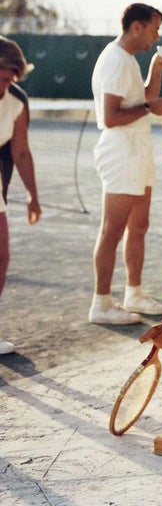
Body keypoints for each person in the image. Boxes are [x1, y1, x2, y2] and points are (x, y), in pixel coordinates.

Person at [89, 4, 162, 325]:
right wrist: (152, 108)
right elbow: (110, 118)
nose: (157, 35)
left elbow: (144, 99)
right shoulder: (113, 60)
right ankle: (101, 303)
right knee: (112, 229)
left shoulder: (127, 60)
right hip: (119, 151)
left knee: (138, 226)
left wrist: (157, 67)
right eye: (155, 29)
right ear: (136, 27)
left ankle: (133, 293)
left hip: (137, 150)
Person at [0, 38, 41, 353]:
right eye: (3, 77)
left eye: (12, 79)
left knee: (2, 256)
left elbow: (21, 152)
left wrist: (33, 196)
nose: (7, 85)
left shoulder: (16, 100)